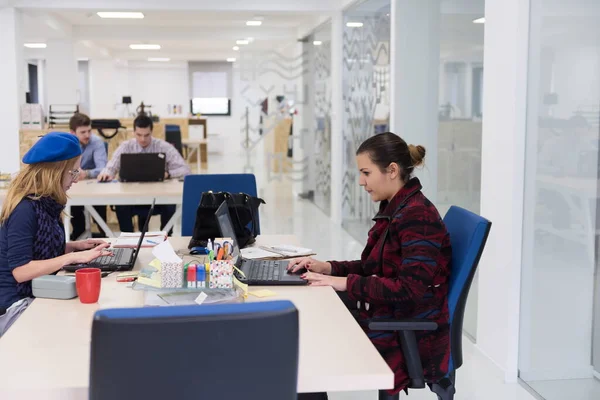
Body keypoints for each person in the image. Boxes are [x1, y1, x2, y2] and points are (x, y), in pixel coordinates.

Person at [288, 132, 452, 399]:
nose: (361, 182)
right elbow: (372, 266)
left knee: (306, 348)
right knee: (306, 331)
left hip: (406, 325)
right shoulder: (397, 208)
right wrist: (327, 268)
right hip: (388, 312)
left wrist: (344, 283)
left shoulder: (417, 216)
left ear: (392, 171)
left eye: (366, 172)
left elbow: (409, 289)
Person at [0, 132, 112, 337]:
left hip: (36, 290)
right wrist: (71, 257)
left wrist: (74, 247)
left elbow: (39, 249)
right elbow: (21, 270)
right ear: (55, 172)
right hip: (13, 304)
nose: (75, 180)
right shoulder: (25, 209)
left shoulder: (48, 203)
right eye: (73, 173)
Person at [97, 114, 191, 234]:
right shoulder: (126, 146)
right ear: (134, 132)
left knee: (170, 204)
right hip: (131, 196)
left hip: (158, 196)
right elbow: (110, 167)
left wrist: (168, 174)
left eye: (146, 135)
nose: (142, 139)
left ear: (152, 131)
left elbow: (185, 169)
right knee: (121, 204)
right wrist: (106, 173)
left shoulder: (163, 146)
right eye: (139, 135)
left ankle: (166, 236)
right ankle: (127, 238)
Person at [68, 112, 109, 240]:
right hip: (74, 186)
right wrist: (76, 174)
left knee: (100, 210)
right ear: (73, 133)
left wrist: (85, 173)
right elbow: (63, 168)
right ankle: (78, 236)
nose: (87, 135)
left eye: (89, 131)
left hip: (94, 187)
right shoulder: (67, 143)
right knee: (75, 209)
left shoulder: (96, 142)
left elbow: (102, 168)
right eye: (83, 132)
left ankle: (105, 235)